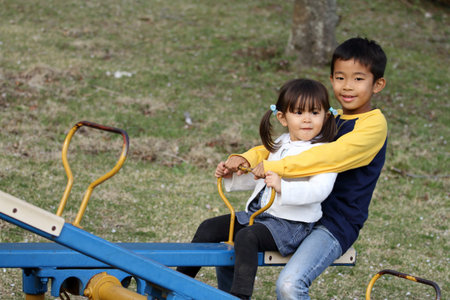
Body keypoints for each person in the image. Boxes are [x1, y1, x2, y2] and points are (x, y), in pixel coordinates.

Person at [225, 37, 388, 299]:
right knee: (228, 249)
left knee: (290, 285)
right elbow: (277, 147)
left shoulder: (372, 126)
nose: (347, 86)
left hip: (334, 223)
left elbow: (328, 156)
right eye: (340, 77)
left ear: (377, 84)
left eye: (358, 79)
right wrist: (245, 160)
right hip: (298, 213)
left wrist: (274, 167)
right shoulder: (326, 116)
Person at [177, 78, 338, 299]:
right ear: (282, 117)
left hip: (291, 224)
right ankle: (176, 285)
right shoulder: (281, 143)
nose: (307, 119)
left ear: (326, 116)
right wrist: (231, 175)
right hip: (260, 216)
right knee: (208, 228)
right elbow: (262, 180)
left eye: (315, 112)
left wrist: (283, 186)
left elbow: (320, 191)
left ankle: (240, 295)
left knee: (247, 237)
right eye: (299, 113)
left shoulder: (326, 152)